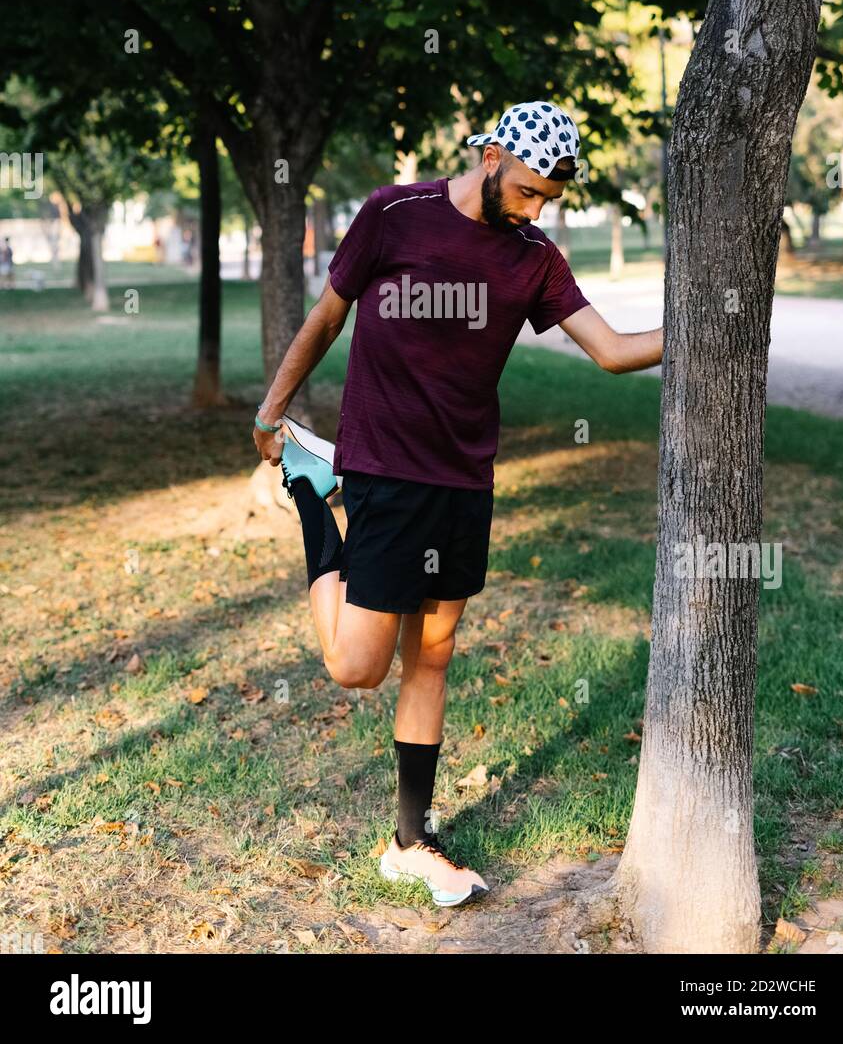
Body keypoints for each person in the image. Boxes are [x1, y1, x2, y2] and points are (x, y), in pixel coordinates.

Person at [252, 101, 663, 907]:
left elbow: (611, 352)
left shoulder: (533, 258)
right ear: (492, 156)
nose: (536, 208)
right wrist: (272, 414)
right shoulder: (394, 214)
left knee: (432, 657)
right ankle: (309, 486)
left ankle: (411, 841)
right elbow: (328, 318)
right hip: (388, 472)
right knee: (356, 666)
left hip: (464, 480)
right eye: (529, 190)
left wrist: (710, 324)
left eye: (548, 198)